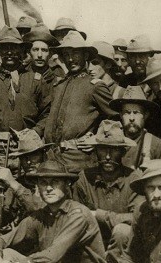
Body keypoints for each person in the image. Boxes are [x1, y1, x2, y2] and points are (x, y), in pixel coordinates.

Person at [0, 26, 50, 223]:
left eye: (14, 48)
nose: (10, 52)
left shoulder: (36, 81)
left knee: (26, 201)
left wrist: (32, 134)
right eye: (4, 48)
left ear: (22, 52)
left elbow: (47, 113)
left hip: (27, 152)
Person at [0, 160, 106, 263]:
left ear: (67, 184)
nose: (48, 188)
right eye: (43, 183)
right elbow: (2, 240)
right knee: (7, 254)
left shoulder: (78, 214)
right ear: (38, 186)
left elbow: (52, 255)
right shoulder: (41, 215)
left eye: (55, 182)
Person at [44, 30, 117, 173]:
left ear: (85, 55)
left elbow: (116, 118)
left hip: (78, 163)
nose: (71, 59)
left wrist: (97, 139)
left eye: (75, 53)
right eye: (66, 54)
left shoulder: (95, 86)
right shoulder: (58, 86)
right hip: (52, 160)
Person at [71, 120, 142, 261]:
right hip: (93, 244)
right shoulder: (84, 178)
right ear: (96, 151)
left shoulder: (134, 179)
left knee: (122, 232)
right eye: (103, 149)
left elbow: (137, 218)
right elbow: (74, 216)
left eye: (114, 149)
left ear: (123, 151)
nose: (108, 156)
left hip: (126, 249)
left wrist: (99, 215)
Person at [109, 85, 161, 168]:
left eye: (136, 113)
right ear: (121, 115)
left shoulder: (157, 146)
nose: (132, 118)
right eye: (127, 113)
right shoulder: (110, 143)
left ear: (146, 115)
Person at [21, 23, 59, 98]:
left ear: (50, 53)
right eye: (35, 50)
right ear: (29, 52)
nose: (39, 55)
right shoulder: (21, 75)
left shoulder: (57, 77)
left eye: (44, 50)